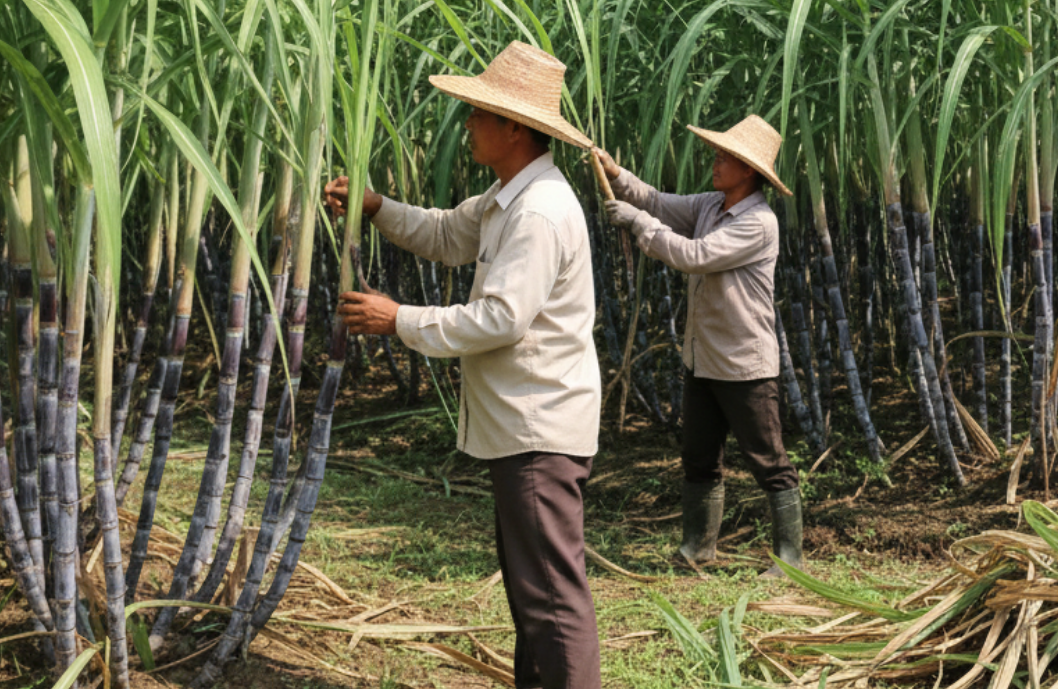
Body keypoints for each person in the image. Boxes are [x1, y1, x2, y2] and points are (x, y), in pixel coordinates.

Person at [330, 41, 601, 689]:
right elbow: (447, 233)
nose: (468, 124)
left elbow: (499, 319)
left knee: (552, 604)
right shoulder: (509, 197)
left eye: (479, 113)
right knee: (534, 599)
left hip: (537, 428)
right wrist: (376, 207)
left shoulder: (537, 211)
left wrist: (399, 318)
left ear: (514, 126)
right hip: (525, 423)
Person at [594, 115, 803, 576]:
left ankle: (790, 558)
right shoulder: (710, 205)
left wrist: (636, 224)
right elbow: (656, 200)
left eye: (725, 157)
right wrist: (615, 174)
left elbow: (695, 257)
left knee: (767, 459)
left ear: (748, 170)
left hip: (744, 364)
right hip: (702, 359)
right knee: (699, 456)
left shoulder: (758, 223)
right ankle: (696, 549)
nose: (716, 162)